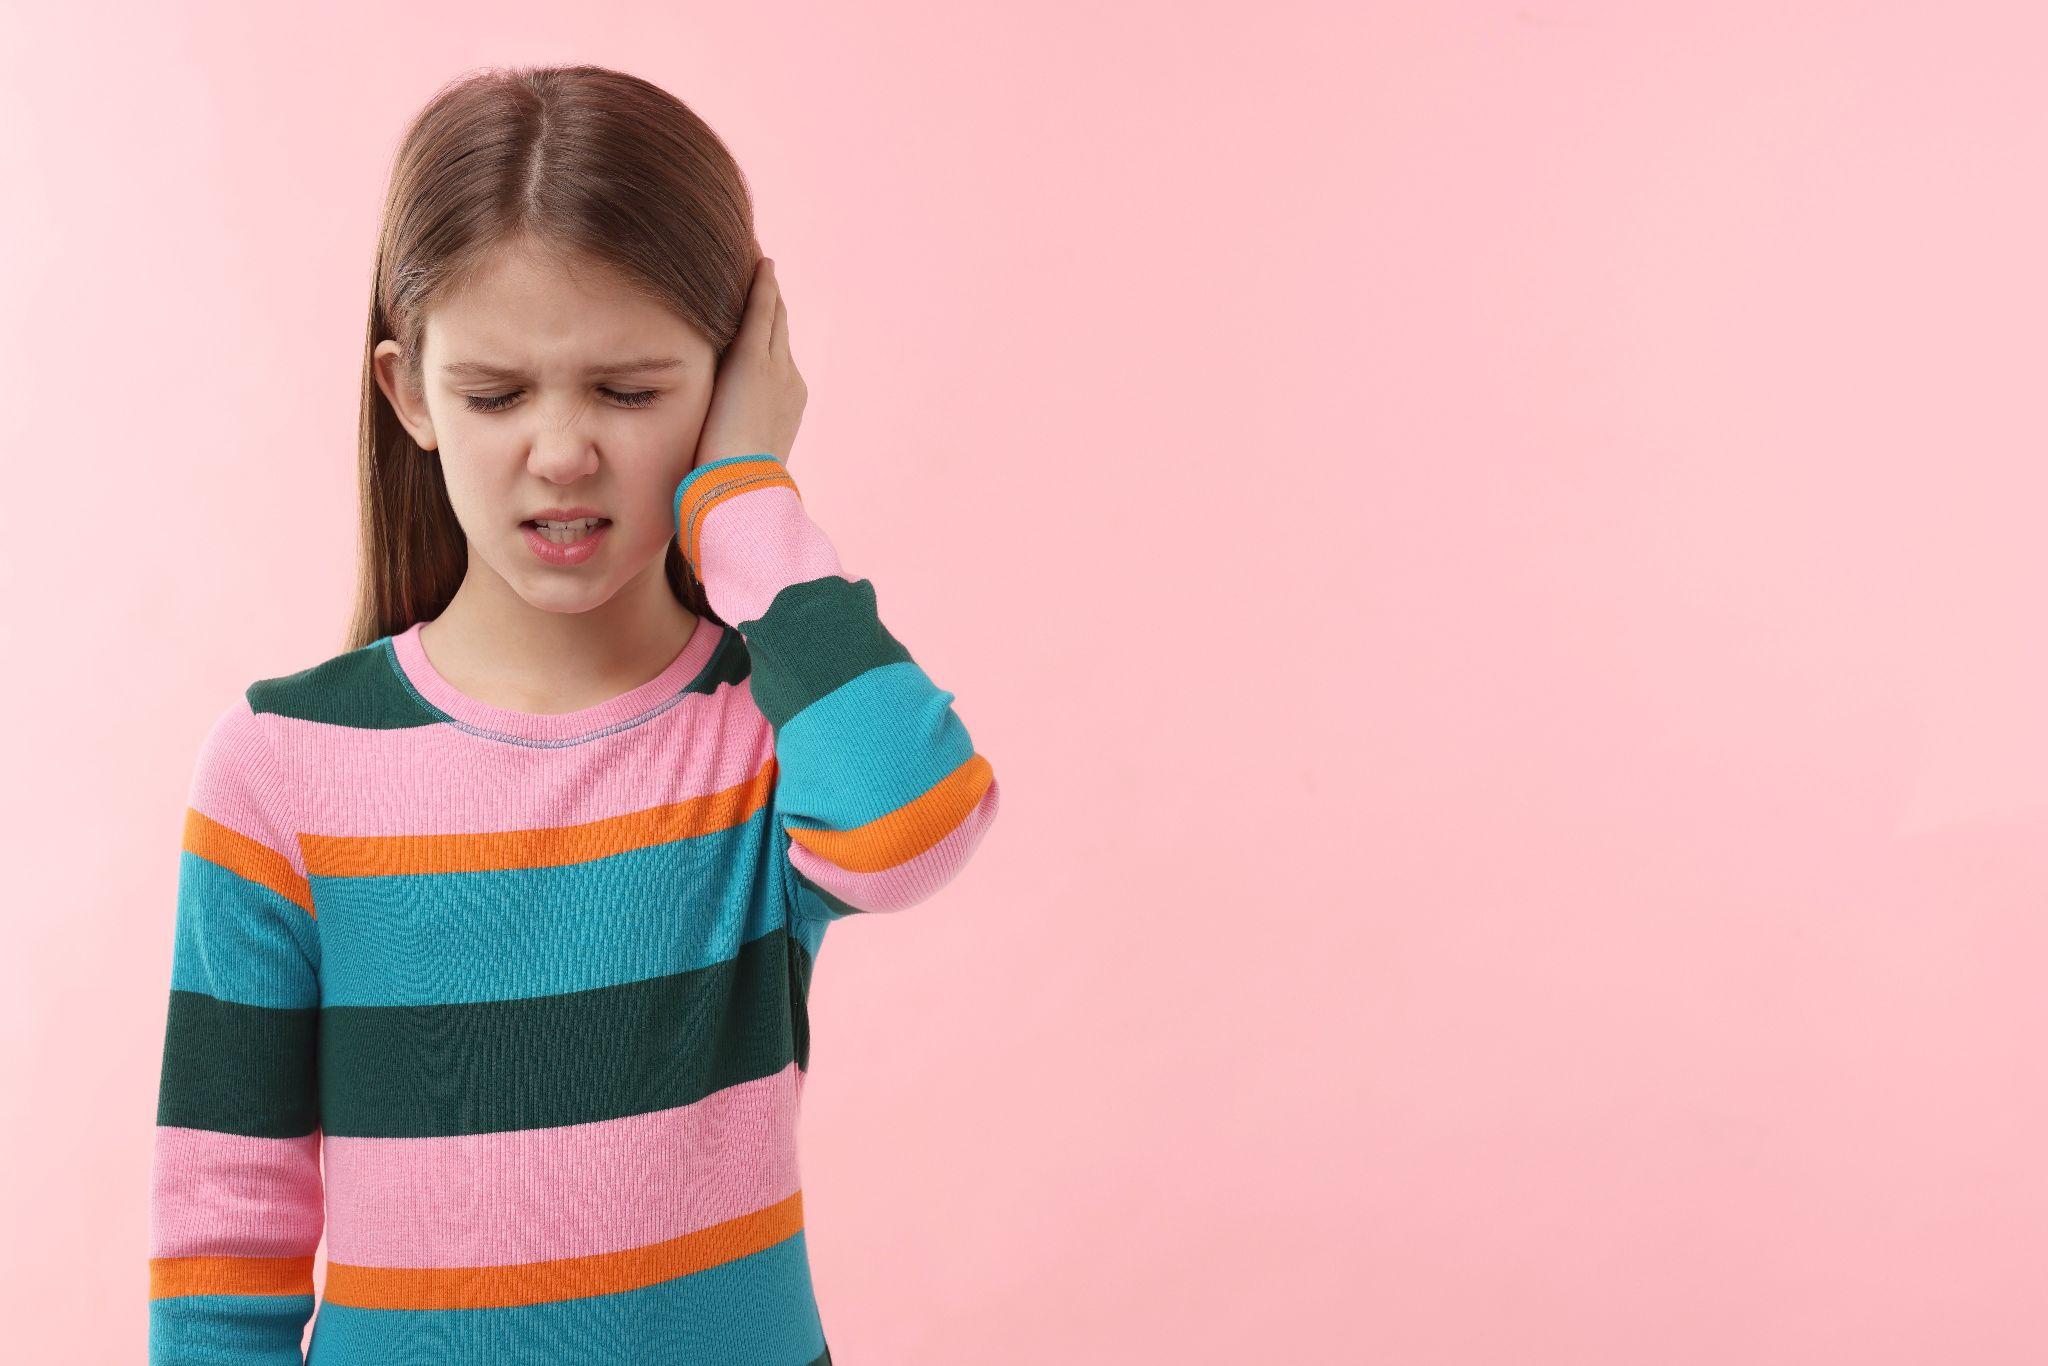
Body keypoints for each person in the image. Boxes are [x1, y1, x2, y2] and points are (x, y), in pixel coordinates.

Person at [146, 65, 1000, 1366]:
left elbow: (917, 825)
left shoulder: (772, 724)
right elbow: (226, 1241)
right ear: (409, 393)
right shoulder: (282, 764)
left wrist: (752, 498)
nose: (561, 451)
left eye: (630, 389)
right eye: (497, 394)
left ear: (726, 385)